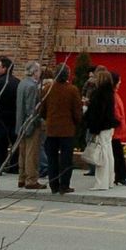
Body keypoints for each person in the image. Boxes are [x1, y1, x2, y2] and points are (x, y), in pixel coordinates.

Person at [41, 66, 82, 194]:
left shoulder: (47, 89)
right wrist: (76, 123)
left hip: (52, 129)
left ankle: (54, 185)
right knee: (66, 159)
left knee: (52, 159)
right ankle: (64, 185)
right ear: (67, 75)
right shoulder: (72, 90)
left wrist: (48, 118)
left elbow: (41, 110)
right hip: (67, 130)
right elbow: (77, 112)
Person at [83, 69, 118, 191]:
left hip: (101, 127)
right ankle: (109, 181)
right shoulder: (110, 93)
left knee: (101, 155)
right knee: (108, 153)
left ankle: (101, 183)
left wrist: (92, 126)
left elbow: (97, 114)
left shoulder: (99, 94)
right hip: (109, 126)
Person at [14, 61, 45, 189]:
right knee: (32, 154)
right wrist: (37, 121)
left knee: (23, 152)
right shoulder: (32, 86)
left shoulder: (22, 83)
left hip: (20, 123)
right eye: (39, 71)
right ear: (35, 72)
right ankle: (31, 180)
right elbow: (31, 108)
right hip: (30, 124)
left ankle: (22, 177)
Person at [0, 56, 19, 176]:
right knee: (15, 143)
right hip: (14, 117)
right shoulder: (17, 82)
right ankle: (14, 166)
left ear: (5, 68)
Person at [111, 70, 126, 186]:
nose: (120, 83)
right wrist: (119, 120)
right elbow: (116, 111)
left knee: (117, 152)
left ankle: (120, 176)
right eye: (119, 81)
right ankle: (120, 176)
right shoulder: (113, 95)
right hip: (115, 128)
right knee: (117, 152)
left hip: (117, 128)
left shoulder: (115, 94)